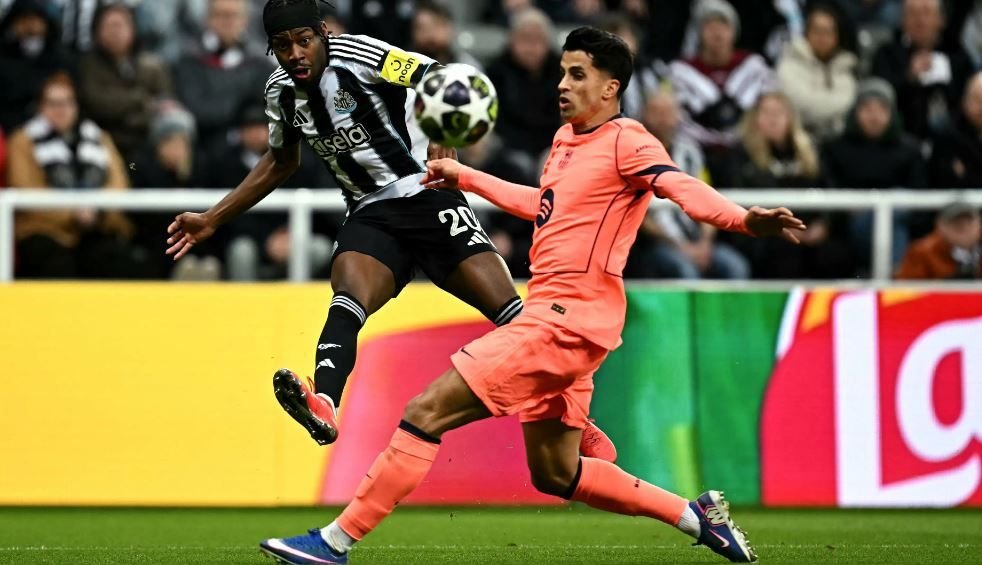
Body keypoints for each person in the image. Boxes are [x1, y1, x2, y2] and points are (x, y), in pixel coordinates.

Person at [259, 26, 805, 565]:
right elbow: (544, 205)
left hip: (563, 323)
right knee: (555, 473)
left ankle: (335, 542)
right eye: (562, 73)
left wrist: (742, 220)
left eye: (578, 75)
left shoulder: (629, 140)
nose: (562, 85)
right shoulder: (567, 142)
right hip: (560, 320)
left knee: (425, 411)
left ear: (611, 87)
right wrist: (467, 177)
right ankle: (696, 516)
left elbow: (679, 186)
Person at [164, 0, 616, 459]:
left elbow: (439, 75)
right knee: (347, 299)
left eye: (304, 40)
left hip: (427, 195)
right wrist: (213, 217)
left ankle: (578, 420)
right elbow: (281, 161)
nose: (295, 53)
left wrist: (441, 136)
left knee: (514, 318)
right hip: (370, 213)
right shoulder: (280, 92)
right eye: (282, 45)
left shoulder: (359, 55)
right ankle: (324, 402)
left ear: (322, 34)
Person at [8, 72, 147, 279]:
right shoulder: (23, 140)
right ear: (41, 107)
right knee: (57, 263)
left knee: (124, 261)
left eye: (67, 102)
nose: (61, 110)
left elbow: (118, 183)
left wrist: (97, 211)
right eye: (53, 103)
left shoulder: (98, 137)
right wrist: (74, 213)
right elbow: (25, 190)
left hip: (96, 227)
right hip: (44, 232)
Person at [669, 0, 775, 186]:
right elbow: (676, 119)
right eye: (710, 26)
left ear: (734, 31)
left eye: (723, 26)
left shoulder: (753, 68)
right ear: (699, 32)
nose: (717, 33)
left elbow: (773, 106)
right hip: (696, 151)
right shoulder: (680, 72)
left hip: (747, 151)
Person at [77, 2, 173, 162]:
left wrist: (133, 113)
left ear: (133, 29)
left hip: (146, 143)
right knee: (131, 165)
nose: (115, 32)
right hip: (105, 144)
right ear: (97, 30)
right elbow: (97, 103)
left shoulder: (152, 66)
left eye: (120, 25)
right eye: (110, 26)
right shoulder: (88, 66)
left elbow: (164, 105)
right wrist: (140, 99)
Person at [872, 0, 973, 141]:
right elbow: (879, 100)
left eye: (926, 13)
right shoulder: (887, 54)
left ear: (942, 20)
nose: (919, 20)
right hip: (900, 137)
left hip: (952, 139)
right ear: (902, 20)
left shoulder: (957, 55)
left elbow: (968, 102)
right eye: (912, 13)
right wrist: (909, 77)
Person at [776, 2, 858, 141]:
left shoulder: (846, 64)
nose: (822, 37)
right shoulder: (789, 63)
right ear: (806, 33)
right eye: (817, 31)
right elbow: (802, 107)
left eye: (828, 32)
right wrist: (835, 108)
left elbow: (849, 102)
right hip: (799, 140)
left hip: (839, 142)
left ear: (837, 36)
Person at [896, 202, 981, 279]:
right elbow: (907, 287)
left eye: (969, 222)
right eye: (956, 223)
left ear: (979, 224)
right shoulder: (922, 252)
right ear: (940, 226)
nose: (964, 227)